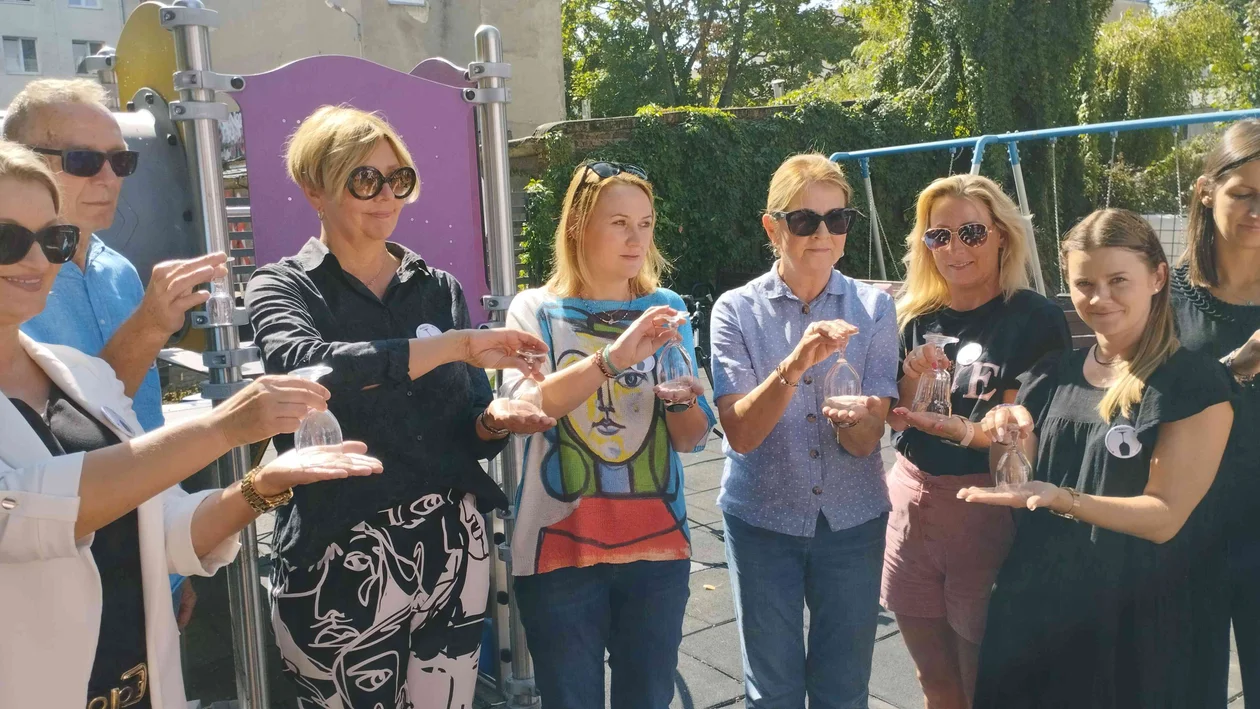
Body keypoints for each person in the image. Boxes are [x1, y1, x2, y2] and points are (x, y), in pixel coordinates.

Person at [0, 139, 386, 708]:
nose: (36, 261)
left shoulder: (80, 376)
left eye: (54, 239)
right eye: (8, 240)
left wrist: (263, 486)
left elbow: (161, 530)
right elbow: (22, 516)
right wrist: (224, 428)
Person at [245, 105, 551, 709]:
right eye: (365, 178)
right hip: (339, 556)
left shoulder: (438, 288)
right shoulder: (281, 285)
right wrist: (453, 346)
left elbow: (468, 426)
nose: (386, 194)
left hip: (452, 545)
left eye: (398, 178)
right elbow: (306, 367)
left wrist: (494, 421)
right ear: (314, 188)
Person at [961, 208, 1235, 709]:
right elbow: (1019, 477)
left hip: (1139, 618)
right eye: (1084, 284)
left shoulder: (1192, 383)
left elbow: (1164, 517)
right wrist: (1006, 433)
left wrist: (1062, 499)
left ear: (1157, 277)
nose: (1099, 297)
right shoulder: (1051, 373)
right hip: (1043, 605)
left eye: (1118, 281)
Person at [4, 77, 227, 611]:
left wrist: (173, 570)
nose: (109, 178)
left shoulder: (119, 269)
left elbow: (137, 422)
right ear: (22, 160)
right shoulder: (16, 282)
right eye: (84, 160)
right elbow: (68, 428)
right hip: (53, 568)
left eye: (121, 161)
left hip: (147, 544)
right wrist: (149, 325)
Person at [504, 160, 715, 709]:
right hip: (557, 554)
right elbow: (527, 408)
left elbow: (691, 438)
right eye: (619, 223)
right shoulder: (535, 309)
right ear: (578, 226)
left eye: (645, 224)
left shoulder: (666, 308)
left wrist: (684, 400)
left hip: (657, 553)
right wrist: (612, 359)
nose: (636, 239)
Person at [708, 153, 898, 709]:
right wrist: (795, 364)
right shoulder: (735, 311)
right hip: (763, 518)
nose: (823, 233)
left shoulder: (874, 308)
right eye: (804, 220)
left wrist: (859, 420)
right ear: (773, 228)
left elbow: (866, 443)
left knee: (844, 689)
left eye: (837, 219)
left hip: (852, 517)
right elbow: (741, 434)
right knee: (773, 691)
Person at [882, 174, 1070, 709]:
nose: (954, 248)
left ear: (1002, 235)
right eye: (938, 236)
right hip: (911, 501)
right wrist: (912, 376)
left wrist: (966, 430)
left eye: (971, 232)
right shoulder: (915, 317)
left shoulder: (1034, 318)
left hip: (986, 507)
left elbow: (1023, 435)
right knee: (934, 682)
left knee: (986, 684)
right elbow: (900, 419)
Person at [1169, 119, 1260, 702]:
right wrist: (1236, 367)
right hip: (1187, 526)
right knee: (1185, 690)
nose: (1257, 211)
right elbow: (1138, 404)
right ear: (1206, 191)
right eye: (1244, 193)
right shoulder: (1166, 294)